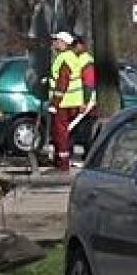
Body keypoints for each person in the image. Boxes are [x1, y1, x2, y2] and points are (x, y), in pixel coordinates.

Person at [48, 31, 85, 172]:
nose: (54, 43)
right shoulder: (70, 57)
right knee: (63, 132)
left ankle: (62, 162)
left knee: (60, 132)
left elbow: (62, 82)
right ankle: (60, 159)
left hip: (64, 102)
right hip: (71, 101)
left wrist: (55, 103)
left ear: (64, 43)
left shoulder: (64, 59)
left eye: (57, 40)